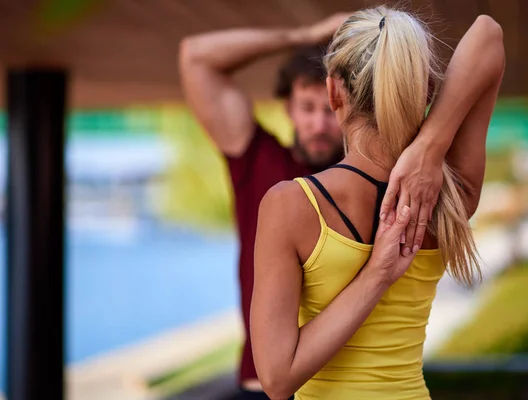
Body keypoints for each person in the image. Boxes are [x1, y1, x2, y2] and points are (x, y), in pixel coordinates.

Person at [178, 11, 456, 399]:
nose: (319, 124)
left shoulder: (399, 177)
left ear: (339, 99)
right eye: (307, 109)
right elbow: (195, 58)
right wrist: (302, 35)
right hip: (265, 381)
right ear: (289, 108)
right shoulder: (258, 159)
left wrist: (428, 150)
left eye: (326, 111)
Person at [251, 6, 504, 400]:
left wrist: (376, 276)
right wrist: (431, 146)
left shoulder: (291, 206)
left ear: (333, 91)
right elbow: (488, 35)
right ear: (428, 92)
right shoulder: (448, 195)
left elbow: (277, 380)